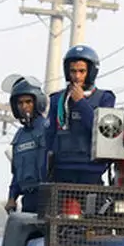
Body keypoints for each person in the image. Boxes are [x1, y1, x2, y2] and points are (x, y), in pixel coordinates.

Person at [47, 45, 116, 186]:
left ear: (90, 72)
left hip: (91, 169)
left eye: (82, 71)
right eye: (73, 71)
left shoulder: (105, 98)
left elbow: (101, 131)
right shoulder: (57, 99)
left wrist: (80, 102)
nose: (77, 76)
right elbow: (49, 136)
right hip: (62, 169)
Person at [5, 76, 51, 215]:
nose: (24, 106)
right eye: (20, 103)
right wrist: (12, 197)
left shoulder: (48, 129)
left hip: (48, 198)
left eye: (28, 102)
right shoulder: (19, 136)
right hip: (28, 200)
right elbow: (17, 172)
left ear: (38, 102)